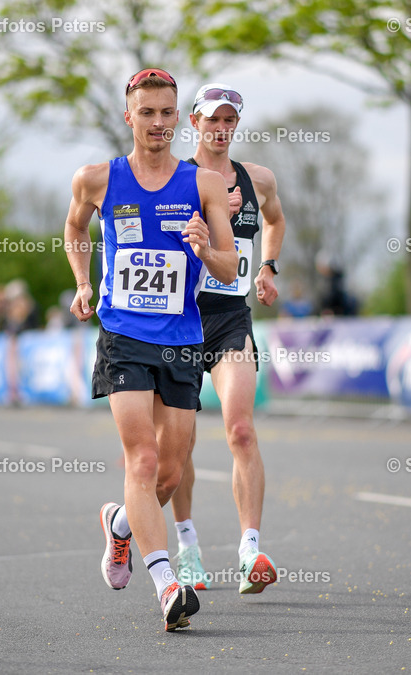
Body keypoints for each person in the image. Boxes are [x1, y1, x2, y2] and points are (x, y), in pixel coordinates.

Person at [64, 68, 237, 631]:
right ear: (129, 117)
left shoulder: (204, 184)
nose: (158, 123)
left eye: (166, 112)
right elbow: (75, 230)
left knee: (169, 472)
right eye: (147, 113)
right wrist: (83, 282)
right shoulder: (97, 180)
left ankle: (119, 525)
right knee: (140, 459)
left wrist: (205, 249)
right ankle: (167, 586)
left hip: (183, 339)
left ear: (178, 117)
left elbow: (230, 268)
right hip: (123, 335)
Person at [168, 83, 287, 595]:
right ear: (194, 123)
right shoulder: (174, 178)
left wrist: (267, 267)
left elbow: (275, 220)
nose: (220, 129)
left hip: (231, 318)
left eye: (229, 121)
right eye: (211, 120)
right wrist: (209, 214)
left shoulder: (258, 179)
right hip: (179, 321)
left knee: (240, 430)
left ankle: (249, 551)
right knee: (179, 444)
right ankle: (188, 547)